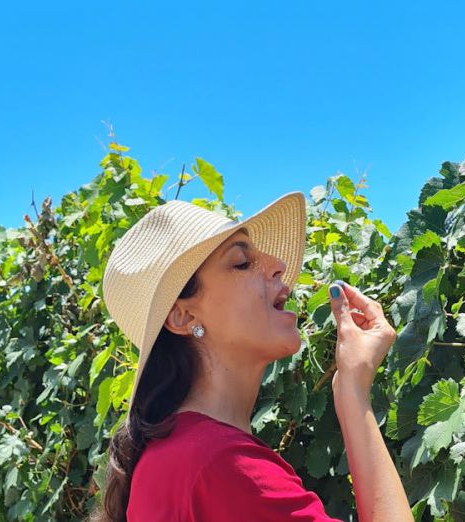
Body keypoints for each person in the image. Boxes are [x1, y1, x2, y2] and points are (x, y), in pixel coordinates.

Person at [89, 191, 412, 521]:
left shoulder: (165, 460)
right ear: (183, 317)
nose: (280, 267)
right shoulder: (223, 464)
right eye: (241, 263)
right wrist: (353, 393)